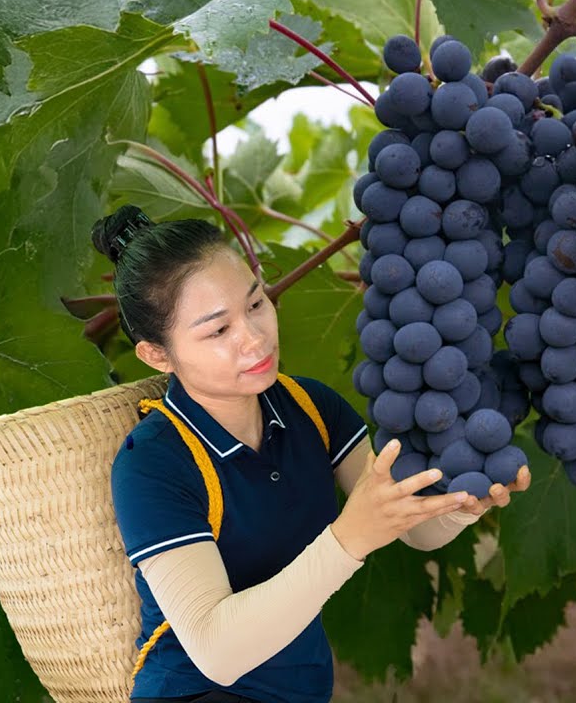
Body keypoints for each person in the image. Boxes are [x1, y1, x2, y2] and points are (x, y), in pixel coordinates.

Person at [93, 205, 531, 703]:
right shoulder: (152, 463)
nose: (254, 338)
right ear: (157, 354)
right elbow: (218, 652)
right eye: (218, 331)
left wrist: (461, 506)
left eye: (256, 304)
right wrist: (348, 539)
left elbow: (412, 528)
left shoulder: (309, 406)